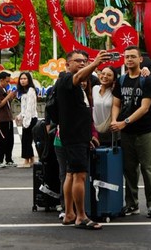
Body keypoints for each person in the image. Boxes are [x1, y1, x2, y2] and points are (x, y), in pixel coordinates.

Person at [56, 49, 106, 230]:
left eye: (84, 60)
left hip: (78, 136)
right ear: (67, 64)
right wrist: (96, 63)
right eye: (77, 61)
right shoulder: (66, 79)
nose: (82, 63)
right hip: (74, 138)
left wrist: (89, 136)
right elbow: (77, 77)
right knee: (79, 176)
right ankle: (81, 216)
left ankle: (69, 213)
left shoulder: (78, 86)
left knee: (71, 174)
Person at [111, 45, 151, 219]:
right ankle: (132, 204)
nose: (129, 59)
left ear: (140, 59)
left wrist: (123, 123)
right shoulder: (122, 80)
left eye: (133, 56)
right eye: (127, 57)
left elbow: (145, 107)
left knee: (148, 169)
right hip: (126, 133)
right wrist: (114, 121)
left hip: (145, 131)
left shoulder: (147, 80)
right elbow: (116, 104)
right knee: (129, 170)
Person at [0, 71, 17, 168]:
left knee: (10, 141)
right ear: (1, 80)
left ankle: (9, 159)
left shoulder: (5, 90)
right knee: (1, 141)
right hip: (1, 120)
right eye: (7, 81)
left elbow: (6, 103)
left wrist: (11, 97)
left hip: (8, 119)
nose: (8, 83)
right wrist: (8, 97)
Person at [17, 71, 39, 168]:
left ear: (29, 80)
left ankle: (28, 160)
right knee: (26, 140)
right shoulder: (24, 91)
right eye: (21, 79)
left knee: (27, 140)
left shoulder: (31, 90)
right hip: (26, 118)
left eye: (25, 78)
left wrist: (27, 121)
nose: (22, 81)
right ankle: (30, 159)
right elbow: (24, 108)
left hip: (31, 118)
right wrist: (20, 115)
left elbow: (30, 107)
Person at [92, 66, 116, 146]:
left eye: (109, 75)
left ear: (114, 79)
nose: (105, 76)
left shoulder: (115, 93)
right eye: (103, 73)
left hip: (110, 132)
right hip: (95, 132)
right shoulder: (94, 89)